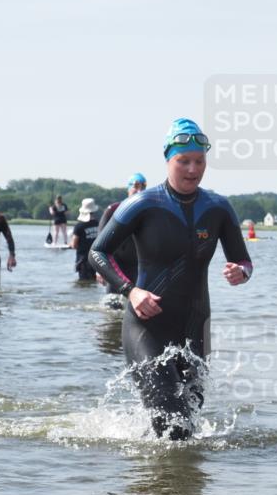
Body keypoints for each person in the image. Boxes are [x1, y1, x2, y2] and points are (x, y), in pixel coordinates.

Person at [89, 118, 253, 440]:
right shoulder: (142, 204)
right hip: (146, 327)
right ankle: (166, 487)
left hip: (195, 326)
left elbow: (243, 259)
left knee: (188, 421)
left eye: (199, 161)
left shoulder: (218, 208)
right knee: (168, 418)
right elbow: (97, 252)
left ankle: (171, 479)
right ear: (168, 159)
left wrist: (241, 272)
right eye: (184, 161)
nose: (193, 169)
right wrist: (130, 291)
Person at [96, 173, 146, 302]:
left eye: (143, 187)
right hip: (115, 265)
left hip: (137, 266)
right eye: (136, 186)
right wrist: (99, 270)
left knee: (134, 305)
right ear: (128, 188)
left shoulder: (148, 212)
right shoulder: (113, 209)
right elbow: (98, 243)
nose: (139, 190)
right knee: (113, 304)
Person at [71, 198, 100, 281]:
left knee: (84, 283)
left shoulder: (79, 226)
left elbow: (74, 245)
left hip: (83, 260)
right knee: (94, 282)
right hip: (97, 259)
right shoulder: (98, 223)